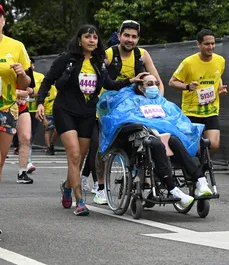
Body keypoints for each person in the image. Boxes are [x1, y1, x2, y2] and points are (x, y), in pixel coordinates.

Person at [36, 24, 146, 216]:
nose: (92, 40)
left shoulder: (99, 61)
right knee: (74, 155)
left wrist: (131, 80)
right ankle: (80, 202)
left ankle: (67, 186)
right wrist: (40, 103)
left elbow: (109, 84)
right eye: (87, 37)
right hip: (65, 110)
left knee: (78, 160)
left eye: (95, 38)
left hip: (87, 112)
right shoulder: (66, 59)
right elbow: (47, 81)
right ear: (80, 40)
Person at [99, 74, 213, 209]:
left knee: (175, 141)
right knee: (156, 144)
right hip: (142, 136)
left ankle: (201, 181)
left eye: (156, 83)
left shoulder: (162, 102)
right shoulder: (130, 101)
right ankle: (173, 189)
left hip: (164, 135)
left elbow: (176, 118)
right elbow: (120, 118)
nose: (154, 86)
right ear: (141, 87)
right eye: (149, 84)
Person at [93, 19, 164, 204]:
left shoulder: (143, 54)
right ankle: (100, 187)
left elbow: (157, 80)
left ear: (138, 39)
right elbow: (99, 78)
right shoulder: (110, 54)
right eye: (126, 36)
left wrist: (160, 100)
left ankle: (146, 185)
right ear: (119, 36)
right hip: (110, 107)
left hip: (134, 107)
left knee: (145, 140)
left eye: (134, 37)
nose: (130, 40)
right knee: (104, 146)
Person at [169, 29, 227, 153]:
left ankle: (201, 166)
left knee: (214, 145)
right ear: (198, 44)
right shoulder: (188, 62)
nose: (210, 47)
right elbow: (172, 82)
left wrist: (220, 88)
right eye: (207, 44)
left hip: (211, 110)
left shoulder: (220, 60)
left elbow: (218, 76)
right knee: (193, 147)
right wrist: (188, 86)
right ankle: (195, 169)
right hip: (191, 111)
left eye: (213, 43)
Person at [0, 4, 31, 182]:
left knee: (0, 160)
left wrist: (21, 73)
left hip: (6, 108)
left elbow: (26, 84)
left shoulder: (16, 46)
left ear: (3, 20)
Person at [27, 57, 44, 172]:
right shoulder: (18, 75)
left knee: (30, 136)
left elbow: (45, 93)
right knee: (25, 137)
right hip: (20, 109)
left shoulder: (40, 77)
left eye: (30, 63)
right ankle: (27, 162)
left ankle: (27, 162)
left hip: (34, 110)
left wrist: (34, 94)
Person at [43, 85, 58, 155]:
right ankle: (48, 147)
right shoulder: (46, 88)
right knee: (48, 130)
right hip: (47, 113)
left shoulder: (57, 88)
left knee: (57, 131)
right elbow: (42, 104)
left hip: (57, 113)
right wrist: (44, 118)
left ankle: (52, 144)